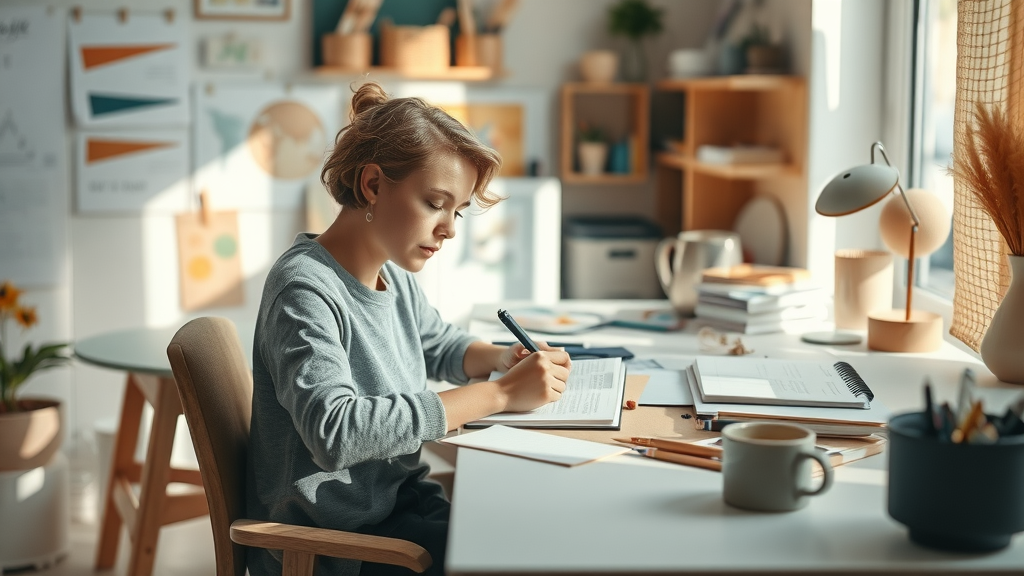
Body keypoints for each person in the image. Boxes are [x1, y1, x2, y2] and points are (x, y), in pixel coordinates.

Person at [247, 82, 572, 576]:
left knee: (537, 532)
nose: (450, 229)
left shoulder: (389, 272)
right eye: (435, 203)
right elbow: (335, 432)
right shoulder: (304, 291)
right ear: (373, 185)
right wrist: (500, 396)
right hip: (340, 547)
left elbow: (437, 343)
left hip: (398, 506)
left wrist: (500, 359)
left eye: (456, 211)